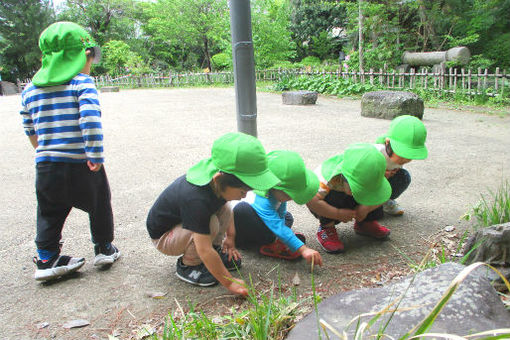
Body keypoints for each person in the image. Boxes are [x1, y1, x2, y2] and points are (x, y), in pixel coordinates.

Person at [20, 22, 118, 282]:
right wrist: (95, 156)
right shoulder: (82, 84)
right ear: (84, 55)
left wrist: (44, 151)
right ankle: (104, 248)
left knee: (48, 211)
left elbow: (30, 128)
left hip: (47, 165)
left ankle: (46, 258)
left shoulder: (29, 90)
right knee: (99, 205)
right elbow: (90, 121)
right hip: (82, 163)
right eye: (91, 57)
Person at [146, 132, 280, 296]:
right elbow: (204, 248)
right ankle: (189, 265)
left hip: (185, 226)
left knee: (225, 210)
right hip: (165, 237)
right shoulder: (196, 199)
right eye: (243, 191)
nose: (245, 196)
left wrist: (230, 238)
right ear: (219, 179)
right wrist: (230, 282)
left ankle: (215, 251)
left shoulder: (218, 182)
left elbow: (227, 209)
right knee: (211, 224)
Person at [233, 150, 323, 266]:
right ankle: (269, 243)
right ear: (274, 187)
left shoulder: (277, 193)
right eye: (288, 195)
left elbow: (280, 213)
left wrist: (287, 237)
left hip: (264, 220)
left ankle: (277, 239)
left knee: (287, 217)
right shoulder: (262, 199)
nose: (290, 198)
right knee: (243, 210)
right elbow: (276, 224)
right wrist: (302, 249)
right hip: (241, 231)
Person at [307, 144, 391, 253]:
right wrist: (337, 213)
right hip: (326, 203)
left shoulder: (372, 174)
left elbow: (383, 195)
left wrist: (367, 208)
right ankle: (327, 229)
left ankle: (365, 223)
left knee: (373, 196)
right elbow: (312, 201)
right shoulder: (326, 178)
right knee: (334, 195)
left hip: (350, 199)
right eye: (355, 188)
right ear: (344, 176)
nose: (359, 193)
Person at [374, 115, 428, 216]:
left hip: (385, 183)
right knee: (375, 216)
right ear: (388, 143)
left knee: (404, 176)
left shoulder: (397, 158)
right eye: (402, 155)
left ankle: (385, 201)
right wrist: (380, 174)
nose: (406, 160)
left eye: (410, 156)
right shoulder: (377, 152)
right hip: (370, 184)